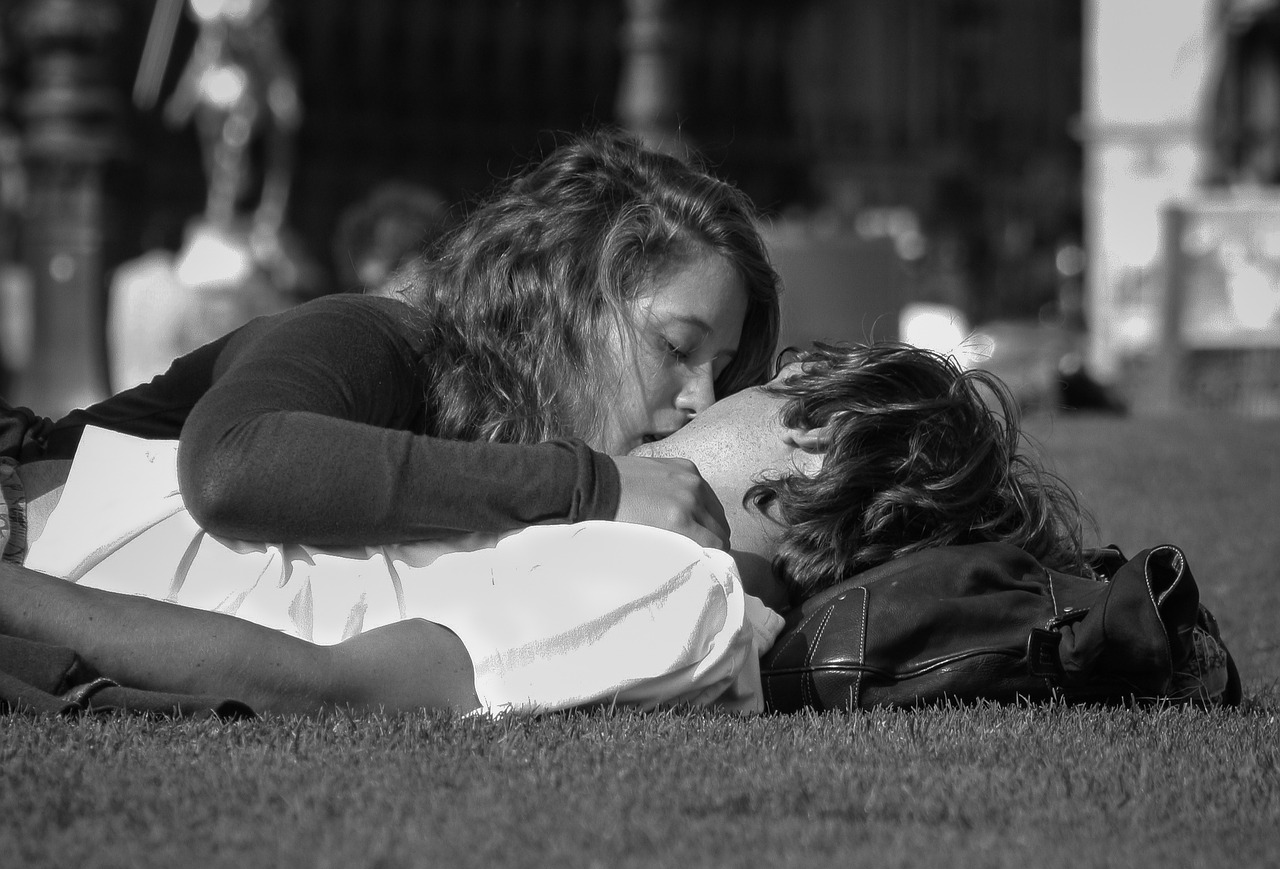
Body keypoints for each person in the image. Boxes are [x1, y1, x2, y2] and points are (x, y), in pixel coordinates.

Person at [2, 343, 1093, 716]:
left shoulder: (676, 596)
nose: (702, 395)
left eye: (763, 381)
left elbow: (327, 680)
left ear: (811, 439)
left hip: (49, 563)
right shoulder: (644, 555)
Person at [1, 130, 779, 555]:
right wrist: (593, 487)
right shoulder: (379, 337)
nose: (700, 400)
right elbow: (232, 465)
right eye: (676, 349)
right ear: (567, 301)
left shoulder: (485, 435)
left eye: (720, 370)